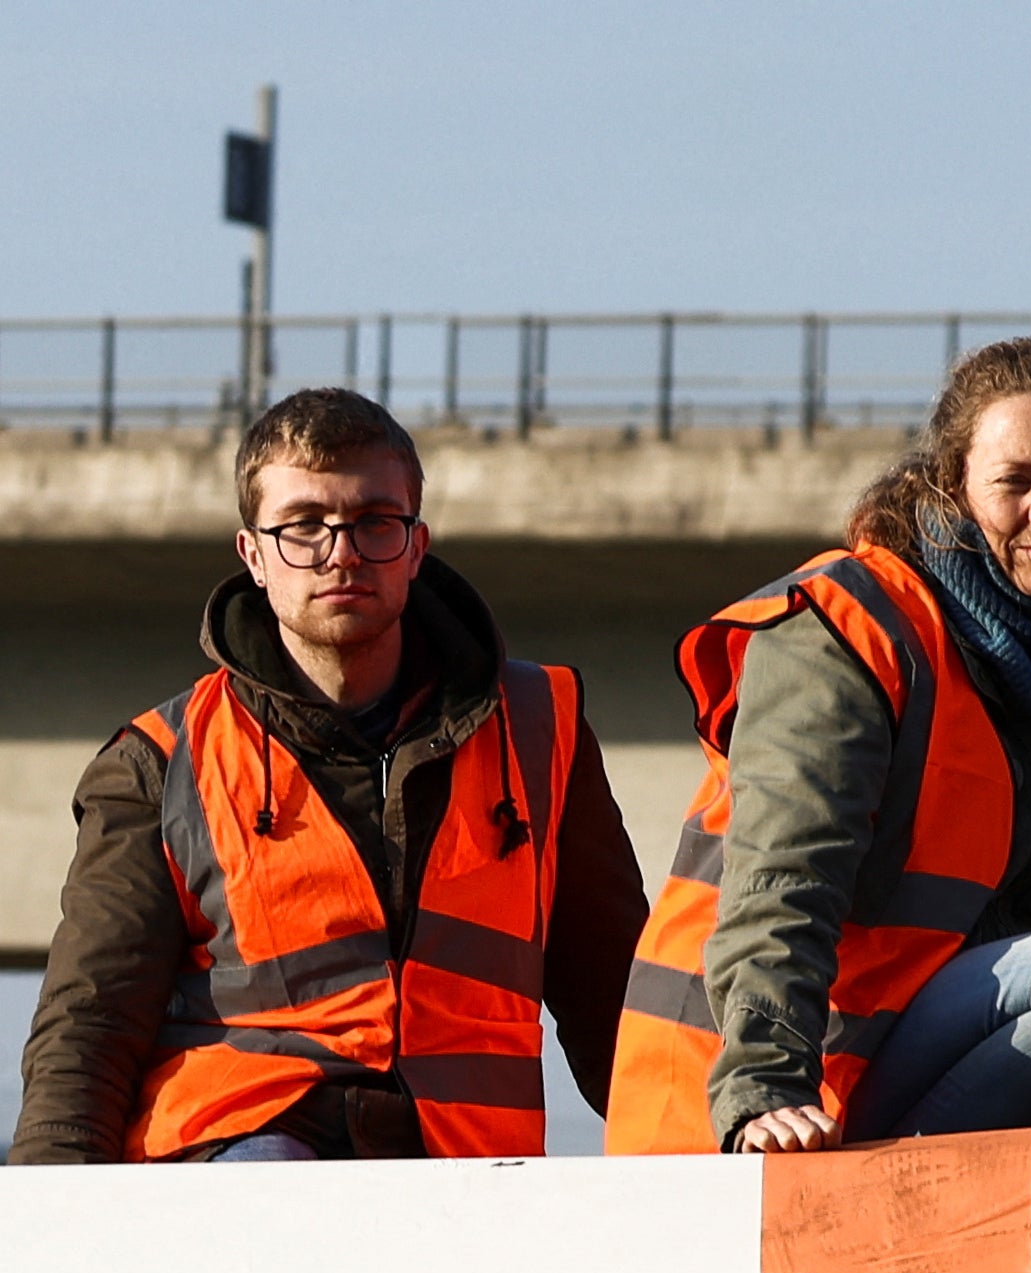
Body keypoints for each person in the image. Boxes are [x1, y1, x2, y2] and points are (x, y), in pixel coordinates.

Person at [605, 340, 1031, 1154]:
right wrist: (763, 1088)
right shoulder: (849, 628)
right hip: (795, 1083)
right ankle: (928, 1202)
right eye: (1015, 481)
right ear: (951, 486)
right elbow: (782, 881)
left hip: (932, 1034)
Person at [11, 390, 648, 1163]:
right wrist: (51, 1219)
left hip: (468, 1167)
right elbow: (93, 1018)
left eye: (374, 522)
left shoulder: (541, 729)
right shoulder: (160, 761)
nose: (341, 551)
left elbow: (612, 998)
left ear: (416, 547)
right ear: (253, 555)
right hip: (245, 1152)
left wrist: (716, 1160)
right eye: (304, 524)